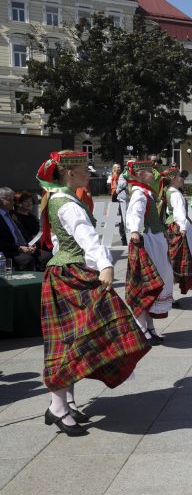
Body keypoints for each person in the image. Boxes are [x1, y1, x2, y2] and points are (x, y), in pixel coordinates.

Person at [36, 151, 150, 437]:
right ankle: (58, 405)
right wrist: (106, 265)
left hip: (64, 273)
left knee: (72, 338)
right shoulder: (66, 203)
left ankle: (64, 402)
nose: (90, 174)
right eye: (85, 170)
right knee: (75, 338)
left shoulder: (58, 198)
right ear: (69, 173)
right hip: (71, 276)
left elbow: (60, 243)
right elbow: (87, 237)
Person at [124, 160, 174, 342]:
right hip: (148, 240)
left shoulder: (147, 192)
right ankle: (142, 328)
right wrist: (135, 231)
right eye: (148, 171)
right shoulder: (139, 193)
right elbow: (134, 213)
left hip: (155, 238)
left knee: (159, 280)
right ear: (139, 174)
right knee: (147, 284)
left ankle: (150, 327)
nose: (153, 174)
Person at [162, 167, 192, 296]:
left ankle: (173, 288)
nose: (182, 179)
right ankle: (185, 280)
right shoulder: (175, 193)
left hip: (172, 225)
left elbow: (169, 211)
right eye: (179, 176)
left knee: (176, 258)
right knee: (184, 257)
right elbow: (179, 213)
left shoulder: (169, 191)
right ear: (173, 179)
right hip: (179, 226)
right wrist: (182, 228)